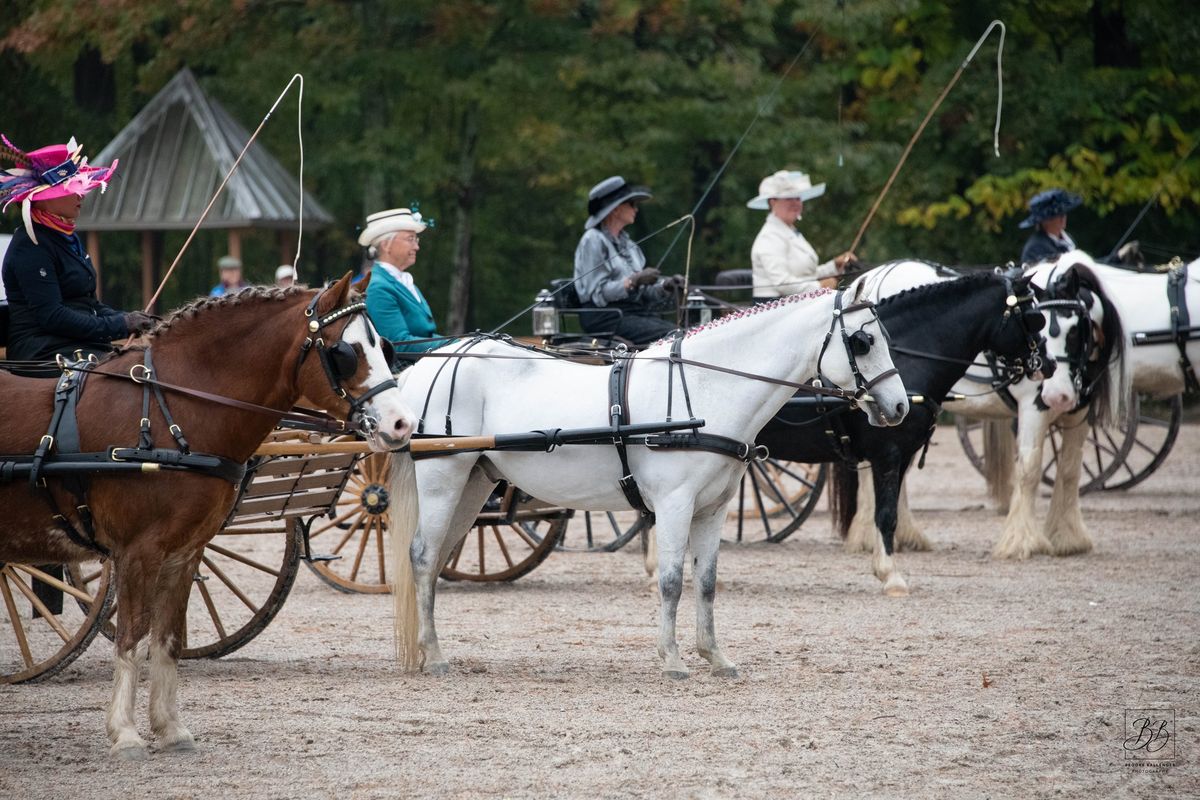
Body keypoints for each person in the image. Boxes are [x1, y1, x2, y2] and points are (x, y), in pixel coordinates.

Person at [0, 134, 154, 377]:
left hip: (77, 344)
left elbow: (89, 305)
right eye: (72, 187)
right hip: (43, 350)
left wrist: (129, 318)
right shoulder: (30, 247)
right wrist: (118, 326)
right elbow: (53, 316)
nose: (81, 194)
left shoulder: (67, 236)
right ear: (44, 200)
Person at [573, 176, 683, 345]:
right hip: (606, 317)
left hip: (634, 314)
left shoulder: (630, 246)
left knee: (684, 334)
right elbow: (597, 295)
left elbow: (643, 293)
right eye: (632, 204)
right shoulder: (593, 240)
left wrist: (665, 286)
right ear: (615, 209)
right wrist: (632, 281)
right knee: (674, 337)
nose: (636, 209)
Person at [748, 170, 855, 303]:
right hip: (774, 310)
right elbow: (782, 283)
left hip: (798, 306)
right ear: (772, 202)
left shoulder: (790, 232)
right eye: (788, 198)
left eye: (798, 198)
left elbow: (806, 275)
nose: (796, 203)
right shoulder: (770, 237)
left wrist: (834, 266)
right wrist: (819, 286)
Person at [358, 206, 443, 357]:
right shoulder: (378, 287)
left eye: (416, 240)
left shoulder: (403, 281)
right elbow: (399, 344)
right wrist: (456, 345)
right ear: (386, 245)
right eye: (410, 239)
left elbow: (427, 335)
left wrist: (463, 341)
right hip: (402, 375)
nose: (416, 247)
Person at [1019, 188, 1082, 265]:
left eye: (1063, 213)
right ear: (1045, 221)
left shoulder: (1068, 240)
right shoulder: (1035, 248)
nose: (1062, 218)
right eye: (1056, 215)